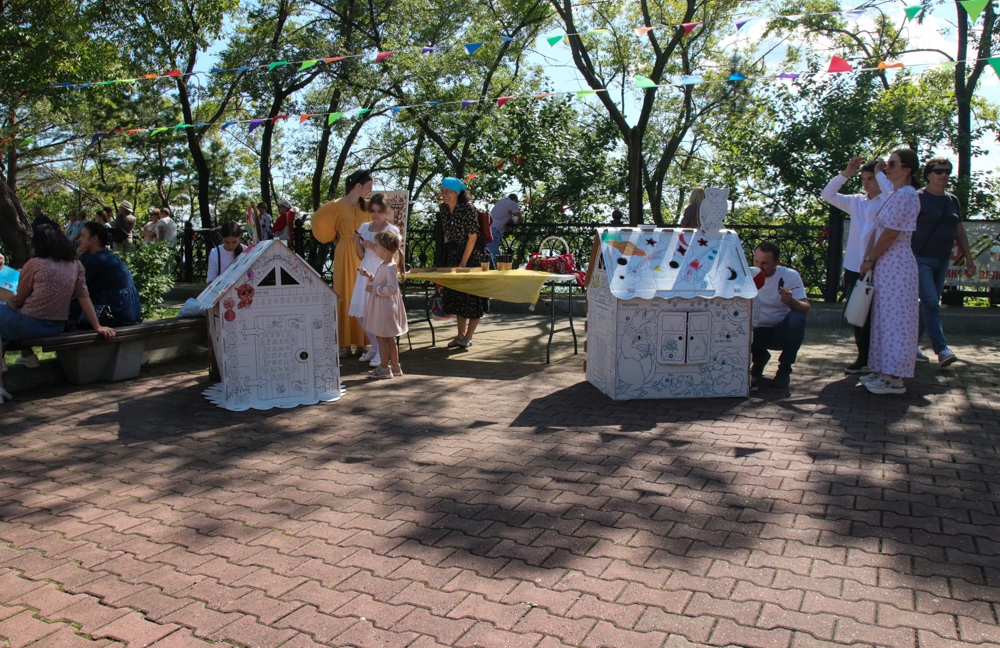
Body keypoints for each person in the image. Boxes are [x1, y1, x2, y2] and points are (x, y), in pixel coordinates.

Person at [0, 226, 116, 401]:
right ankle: (25, 356)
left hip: (29, 324)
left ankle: (3, 380)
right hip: (56, 326)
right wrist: (97, 326)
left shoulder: (35, 263)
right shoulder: (75, 265)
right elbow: (84, 296)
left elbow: (17, 301)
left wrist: (5, 298)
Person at [820, 157, 892, 374]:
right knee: (858, 313)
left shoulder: (889, 200)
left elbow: (892, 195)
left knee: (880, 314)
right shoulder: (856, 202)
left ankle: (881, 358)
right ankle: (864, 358)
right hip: (854, 266)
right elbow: (827, 194)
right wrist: (846, 173)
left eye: (871, 178)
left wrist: (881, 173)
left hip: (880, 266)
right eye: (864, 179)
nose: (866, 183)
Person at [858, 150, 922, 395]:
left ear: (906, 169)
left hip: (897, 265)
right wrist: (870, 258)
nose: (888, 168)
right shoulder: (896, 194)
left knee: (897, 321)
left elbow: (891, 232)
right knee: (884, 319)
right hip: (887, 265)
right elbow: (879, 230)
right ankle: (884, 370)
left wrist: (871, 258)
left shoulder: (907, 195)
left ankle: (895, 377)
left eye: (893, 164)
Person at [912, 157, 976, 367]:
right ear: (928, 174)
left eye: (947, 172)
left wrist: (968, 258)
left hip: (942, 259)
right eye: (939, 171)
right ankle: (942, 349)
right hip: (921, 258)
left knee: (928, 304)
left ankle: (910, 344)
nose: (944, 175)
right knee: (931, 302)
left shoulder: (952, 200)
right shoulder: (918, 197)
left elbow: (959, 231)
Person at [311, 169, 374, 356]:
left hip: (363, 253)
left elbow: (375, 226)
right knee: (344, 293)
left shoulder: (367, 207)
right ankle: (344, 344)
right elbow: (317, 220)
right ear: (358, 186)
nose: (371, 190)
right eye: (369, 186)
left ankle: (362, 342)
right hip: (344, 252)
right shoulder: (337, 205)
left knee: (362, 293)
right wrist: (331, 236)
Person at [349, 194, 402, 369]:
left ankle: (381, 352)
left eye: (379, 211)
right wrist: (357, 243)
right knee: (361, 311)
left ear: (386, 212)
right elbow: (361, 256)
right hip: (366, 268)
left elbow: (392, 255)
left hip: (381, 269)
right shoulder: (364, 227)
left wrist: (373, 246)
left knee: (378, 312)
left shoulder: (391, 230)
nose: (376, 214)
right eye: (372, 211)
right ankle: (375, 346)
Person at [750, 241, 810, 389]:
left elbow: (805, 308)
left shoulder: (790, 275)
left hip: (779, 331)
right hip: (753, 331)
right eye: (756, 261)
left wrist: (791, 301)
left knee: (796, 318)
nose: (759, 267)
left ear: (777, 262)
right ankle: (758, 358)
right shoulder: (746, 274)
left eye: (765, 263)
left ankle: (784, 369)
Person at [438, 177, 486, 348]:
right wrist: (448, 256)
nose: (444, 194)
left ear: (457, 193)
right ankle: (460, 336)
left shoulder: (468, 209)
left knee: (472, 298)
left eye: (448, 191)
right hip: (454, 256)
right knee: (458, 297)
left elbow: (472, 238)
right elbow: (446, 234)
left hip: (471, 257)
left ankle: (468, 337)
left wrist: (464, 262)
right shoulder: (444, 210)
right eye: (443, 191)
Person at [69, 222, 142, 328]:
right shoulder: (108, 256)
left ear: (94, 238)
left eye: (83, 235)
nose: (79, 239)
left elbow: (72, 287)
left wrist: (75, 258)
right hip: (129, 314)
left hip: (114, 316)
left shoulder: (94, 260)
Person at [360, 230, 408, 379]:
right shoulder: (386, 265)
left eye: (377, 246)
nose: (375, 248)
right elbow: (383, 281)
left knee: (382, 338)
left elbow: (392, 288)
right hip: (385, 306)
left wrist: (375, 289)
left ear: (385, 250)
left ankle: (384, 368)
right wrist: (370, 277)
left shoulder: (389, 267)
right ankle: (395, 367)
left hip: (384, 308)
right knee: (389, 338)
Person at [486, 194, 520, 264]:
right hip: (495, 230)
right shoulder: (512, 203)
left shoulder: (500, 202)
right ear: (515, 200)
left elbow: (501, 216)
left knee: (494, 254)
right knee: (492, 256)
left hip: (489, 228)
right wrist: (515, 220)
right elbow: (520, 219)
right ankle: (493, 270)